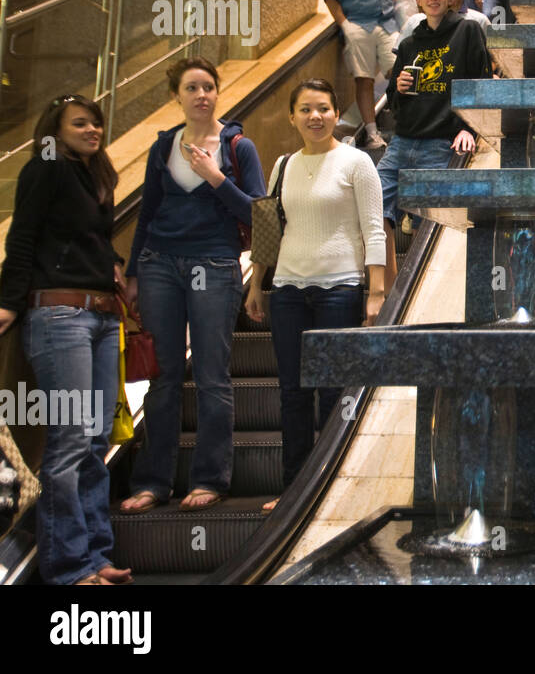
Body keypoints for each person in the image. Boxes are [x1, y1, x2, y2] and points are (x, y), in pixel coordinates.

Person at [119, 58, 266, 516]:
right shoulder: (164, 146)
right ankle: (152, 481)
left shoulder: (239, 146)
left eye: (208, 87)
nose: (201, 94)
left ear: (218, 93)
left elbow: (258, 215)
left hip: (216, 264)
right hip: (158, 263)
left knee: (210, 376)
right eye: (191, 88)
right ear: (177, 96)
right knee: (162, 379)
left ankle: (208, 478)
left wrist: (215, 177)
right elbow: (146, 213)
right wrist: (133, 274)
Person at [0, 95, 129, 585]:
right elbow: (24, 238)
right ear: (54, 131)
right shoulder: (47, 167)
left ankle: (97, 558)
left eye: (96, 122)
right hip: (59, 316)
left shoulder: (94, 178)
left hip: (101, 316)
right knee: (70, 442)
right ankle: (69, 567)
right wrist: (10, 301)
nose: (93, 129)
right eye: (80, 123)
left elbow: (89, 242)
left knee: (95, 442)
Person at [245, 80, 386, 511]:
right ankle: (294, 491)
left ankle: (330, 488)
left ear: (335, 113)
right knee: (292, 392)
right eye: (305, 109)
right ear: (292, 117)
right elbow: (269, 230)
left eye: (323, 108)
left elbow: (374, 229)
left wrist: (376, 292)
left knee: (333, 392)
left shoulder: (357, 162)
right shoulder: (284, 165)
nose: (315, 117)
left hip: (340, 290)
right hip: (287, 290)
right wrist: (256, 285)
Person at [378, 0, 493, 285]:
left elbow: (479, 83)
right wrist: (397, 88)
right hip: (403, 140)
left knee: (426, 225)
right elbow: (392, 97)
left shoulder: (467, 30)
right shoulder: (412, 40)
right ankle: (393, 284)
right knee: (374, 211)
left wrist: (468, 129)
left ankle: (417, 285)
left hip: (441, 141)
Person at [324, 0, 401, 151]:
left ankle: (405, 124)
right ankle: (372, 133)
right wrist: (345, 24)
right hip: (358, 24)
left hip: (387, 26)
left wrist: (405, 27)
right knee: (365, 79)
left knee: (401, 74)